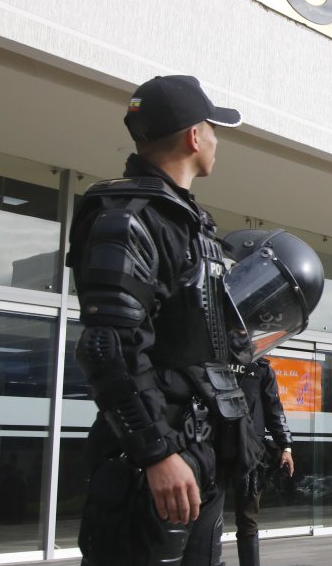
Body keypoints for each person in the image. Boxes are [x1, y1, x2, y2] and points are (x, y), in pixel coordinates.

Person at [68, 75, 257, 565]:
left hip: (197, 460)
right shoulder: (128, 217)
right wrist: (156, 453)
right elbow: (106, 347)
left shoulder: (188, 222)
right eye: (213, 127)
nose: (218, 140)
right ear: (195, 136)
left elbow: (196, 345)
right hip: (153, 469)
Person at [232, 357, 295, 566]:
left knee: (248, 519)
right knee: (202, 513)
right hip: (212, 446)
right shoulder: (212, 356)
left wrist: (285, 446)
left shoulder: (260, 368)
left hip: (250, 451)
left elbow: (274, 409)